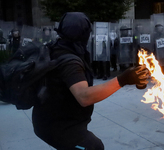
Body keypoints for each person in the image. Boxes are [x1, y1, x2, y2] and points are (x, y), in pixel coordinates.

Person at [32, 12, 149, 150]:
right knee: (93, 147)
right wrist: (123, 80)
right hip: (58, 126)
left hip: (52, 119)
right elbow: (84, 96)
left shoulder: (57, 47)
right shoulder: (69, 61)